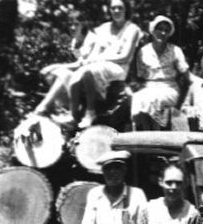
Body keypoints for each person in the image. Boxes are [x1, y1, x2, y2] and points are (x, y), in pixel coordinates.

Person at [34, 0, 141, 129]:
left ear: (126, 9)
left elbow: (125, 57)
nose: (116, 11)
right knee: (78, 73)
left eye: (120, 8)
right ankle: (73, 115)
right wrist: (87, 61)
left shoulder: (132, 29)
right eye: (113, 8)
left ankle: (90, 112)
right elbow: (95, 52)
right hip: (98, 64)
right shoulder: (103, 29)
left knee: (88, 70)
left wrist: (98, 59)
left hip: (118, 67)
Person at [130, 15, 190, 130]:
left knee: (154, 98)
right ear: (153, 31)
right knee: (137, 98)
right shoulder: (143, 51)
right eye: (159, 29)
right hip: (149, 87)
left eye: (166, 30)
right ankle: (144, 132)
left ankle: (156, 132)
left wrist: (180, 103)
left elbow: (186, 77)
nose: (163, 33)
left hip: (169, 88)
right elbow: (140, 77)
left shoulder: (175, 50)